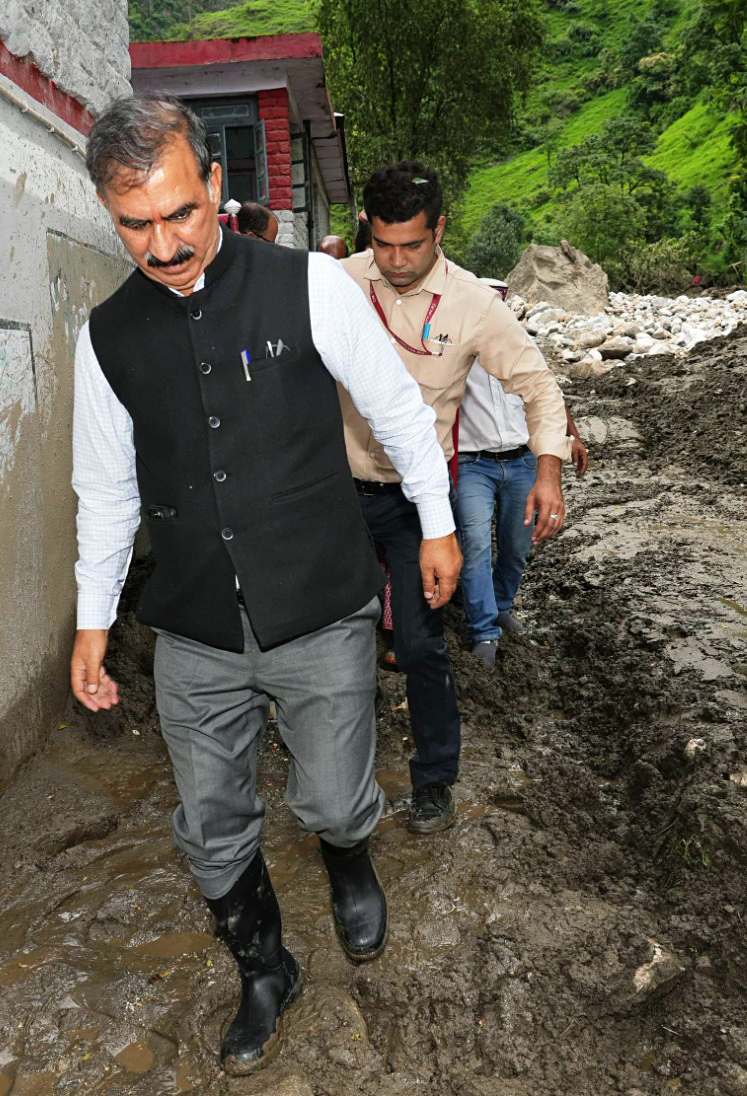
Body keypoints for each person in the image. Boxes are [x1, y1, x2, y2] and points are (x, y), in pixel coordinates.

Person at [70, 94, 460, 1076]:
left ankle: (346, 854)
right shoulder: (106, 339)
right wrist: (89, 625)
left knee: (331, 795)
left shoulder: (309, 290)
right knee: (209, 827)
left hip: (318, 607)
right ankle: (264, 966)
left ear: (215, 183)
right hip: (196, 625)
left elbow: (401, 413)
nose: (160, 245)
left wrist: (439, 525)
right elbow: (106, 493)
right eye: (134, 224)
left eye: (179, 214)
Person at [338, 161, 570, 835]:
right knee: (331, 640)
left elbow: (540, 386)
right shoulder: (340, 286)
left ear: (440, 228)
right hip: (335, 495)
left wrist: (548, 470)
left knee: (418, 644)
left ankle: (435, 778)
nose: (398, 260)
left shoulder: (474, 304)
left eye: (413, 244)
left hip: (421, 504)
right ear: (367, 232)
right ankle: (336, 773)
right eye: (384, 244)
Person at [456, 361, 591, 666]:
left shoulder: (513, 343)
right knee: (475, 545)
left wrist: (573, 435)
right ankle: (483, 632)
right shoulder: (457, 340)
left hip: (522, 461)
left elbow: (547, 392)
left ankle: (500, 605)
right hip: (471, 463)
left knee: (517, 545)